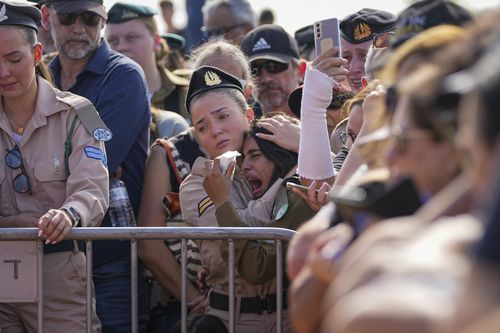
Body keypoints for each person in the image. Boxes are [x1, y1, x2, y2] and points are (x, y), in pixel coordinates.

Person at [41, 0, 151, 331]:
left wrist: (41, 164)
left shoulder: (125, 76)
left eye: (89, 18)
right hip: (46, 257)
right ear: (48, 18)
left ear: (102, 20)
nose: (78, 28)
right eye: (68, 17)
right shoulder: (39, 76)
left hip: (108, 262)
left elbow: (100, 159)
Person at [0, 1, 109, 332]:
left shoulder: (80, 113)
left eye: (13, 59)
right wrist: (10, 224)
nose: (3, 71)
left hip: (57, 269)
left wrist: (69, 214)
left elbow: (93, 187)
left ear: (35, 54)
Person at [179, 66, 296, 332]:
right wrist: (288, 180)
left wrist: (302, 146)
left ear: (249, 115)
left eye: (223, 116)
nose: (216, 130)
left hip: (292, 313)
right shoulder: (197, 186)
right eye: (203, 126)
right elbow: (238, 237)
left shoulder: (284, 156)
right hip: (234, 316)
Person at [202, 116, 316, 284]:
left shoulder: (299, 192)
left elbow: (256, 266)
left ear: (281, 156)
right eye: (243, 158)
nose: (245, 167)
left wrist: (222, 203)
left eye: (254, 156)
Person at [105, 2, 189, 138]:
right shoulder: (99, 99)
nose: (121, 47)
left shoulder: (188, 91)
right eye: (113, 40)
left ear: (156, 42)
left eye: (131, 38)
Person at [240, 24, 304, 117]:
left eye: (274, 67)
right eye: (254, 70)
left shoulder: (325, 124)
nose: (265, 79)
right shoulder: (241, 130)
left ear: (300, 70)